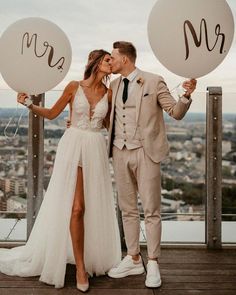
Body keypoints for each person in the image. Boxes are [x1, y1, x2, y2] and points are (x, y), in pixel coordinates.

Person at [0, 49, 121, 291]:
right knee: (77, 208)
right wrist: (29, 104)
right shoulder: (73, 86)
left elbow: (110, 127)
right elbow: (53, 113)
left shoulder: (109, 94)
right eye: (108, 59)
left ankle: (85, 257)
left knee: (90, 207)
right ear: (96, 62)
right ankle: (80, 268)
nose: (112, 63)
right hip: (73, 146)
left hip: (95, 149)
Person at [107, 41, 196, 288]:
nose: (111, 61)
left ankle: (153, 262)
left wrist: (186, 95)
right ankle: (133, 258)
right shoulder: (113, 85)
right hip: (120, 151)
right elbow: (107, 118)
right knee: (127, 209)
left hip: (147, 153)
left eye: (113, 57)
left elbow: (175, 112)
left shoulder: (154, 81)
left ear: (125, 59)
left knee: (152, 210)